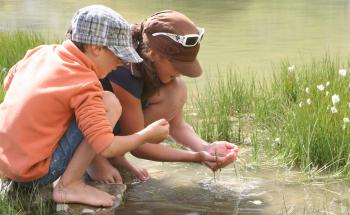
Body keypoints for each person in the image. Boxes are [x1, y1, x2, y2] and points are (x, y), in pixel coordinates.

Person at [0, 5, 170, 207]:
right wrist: (146, 135)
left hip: (5, 164)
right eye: (118, 56)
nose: (120, 64)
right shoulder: (85, 82)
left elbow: (8, 83)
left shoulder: (40, 52)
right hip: (32, 175)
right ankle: (69, 184)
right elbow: (106, 147)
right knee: (109, 103)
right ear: (96, 48)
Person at [87, 10, 239, 183]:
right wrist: (196, 157)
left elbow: (177, 126)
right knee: (108, 103)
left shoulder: (155, 66)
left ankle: (113, 155)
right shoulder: (125, 70)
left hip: (109, 124)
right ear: (153, 54)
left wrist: (206, 147)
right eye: (178, 66)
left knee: (176, 90)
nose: (181, 73)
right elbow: (139, 145)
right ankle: (94, 159)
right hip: (83, 124)